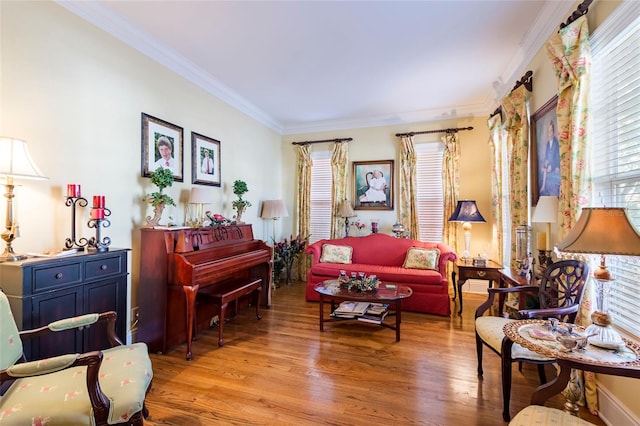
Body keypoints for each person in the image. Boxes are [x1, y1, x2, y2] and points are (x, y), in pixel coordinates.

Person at [539, 119, 560, 196]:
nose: (549, 133)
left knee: (546, 170)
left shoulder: (556, 142)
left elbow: (557, 156)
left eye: (551, 131)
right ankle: (543, 186)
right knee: (543, 169)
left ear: (553, 132)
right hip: (549, 163)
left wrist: (557, 166)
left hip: (554, 164)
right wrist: (546, 161)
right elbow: (547, 156)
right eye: (548, 131)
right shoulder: (548, 143)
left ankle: (543, 187)